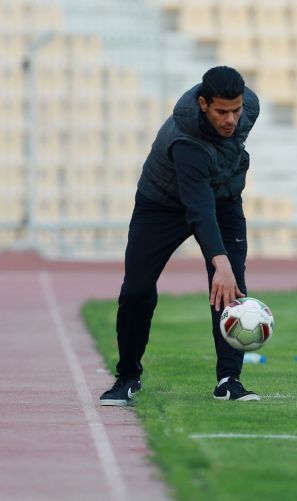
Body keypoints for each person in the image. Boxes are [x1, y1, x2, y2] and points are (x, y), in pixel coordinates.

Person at [99, 66, 261, 405]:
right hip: (161, 205)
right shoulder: (186, 141)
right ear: (203, 104)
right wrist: (221, 263)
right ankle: (127, 376)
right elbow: (199, 209)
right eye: (222, 112)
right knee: (136, 290)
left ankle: (229, 380)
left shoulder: (249, 108)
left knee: (230, 289)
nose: (231, 119)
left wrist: (227, 269)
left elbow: (225, 161)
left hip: (224, 200)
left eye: (236, 110)